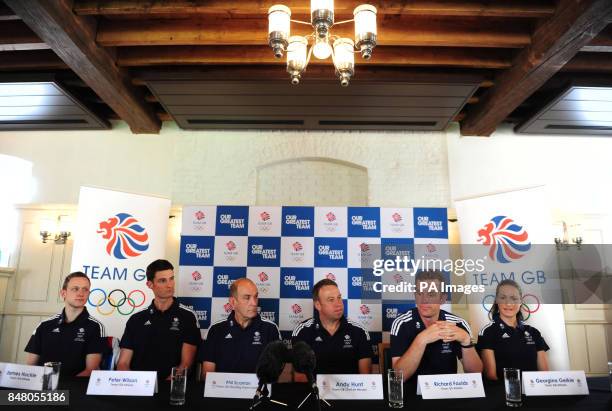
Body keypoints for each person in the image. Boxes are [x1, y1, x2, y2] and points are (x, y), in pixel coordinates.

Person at [391, 270, 482, 392]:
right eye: (419, 293)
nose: (424, 300)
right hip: (412, 398)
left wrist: (466, 341)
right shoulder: (401, 323)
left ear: (442, 299)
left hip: (447, 394)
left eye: (431, 294)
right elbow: (398, 376)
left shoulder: (457, 323)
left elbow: (476, 374)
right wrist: (421, 340)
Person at [117, 259, 200, 380]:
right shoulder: (136, 319)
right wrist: (133, 384)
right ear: (150, 285)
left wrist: (164, 387)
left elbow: (186, 364)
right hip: (138, 389)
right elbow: (122, 363)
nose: (170, 285)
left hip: (170, 388)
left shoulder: (188, 317)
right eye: (162, 281)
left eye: (171, 278)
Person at [25, 271, 106, 377]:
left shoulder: (96, 327)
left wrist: (63, 389)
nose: (81, 293)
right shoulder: (44, 325)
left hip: (75, 389)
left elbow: (91, 370)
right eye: (75, 289)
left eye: (85, 289)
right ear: (63, 293)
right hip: (42, 387)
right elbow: (30, 366)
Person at [199, 278, 281, 379]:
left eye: (256, 297)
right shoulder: (215, 330)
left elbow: (276, 375)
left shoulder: (270, 329)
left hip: (259, 393)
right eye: (247, 297)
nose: (254, 303)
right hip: (222, 393)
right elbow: (207, 376)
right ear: (233, 302)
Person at [292, 279, 372, 376]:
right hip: (314, 391)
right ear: (318, 305)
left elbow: (366, 378)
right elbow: (300, 378)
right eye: (331, 300)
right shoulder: (302, 331)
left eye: (339, 298)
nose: (338, 304)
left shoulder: (359, 331)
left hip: (351, 391)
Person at [477, 279, 549, 380]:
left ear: (521, 302)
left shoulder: (534, 332)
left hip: (534, 392)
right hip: (503, 394)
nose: (509, 303)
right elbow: (490, 376)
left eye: (514, 298)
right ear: (497, 301)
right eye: (503, 298)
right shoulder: (488, 332)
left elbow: (544, 375)